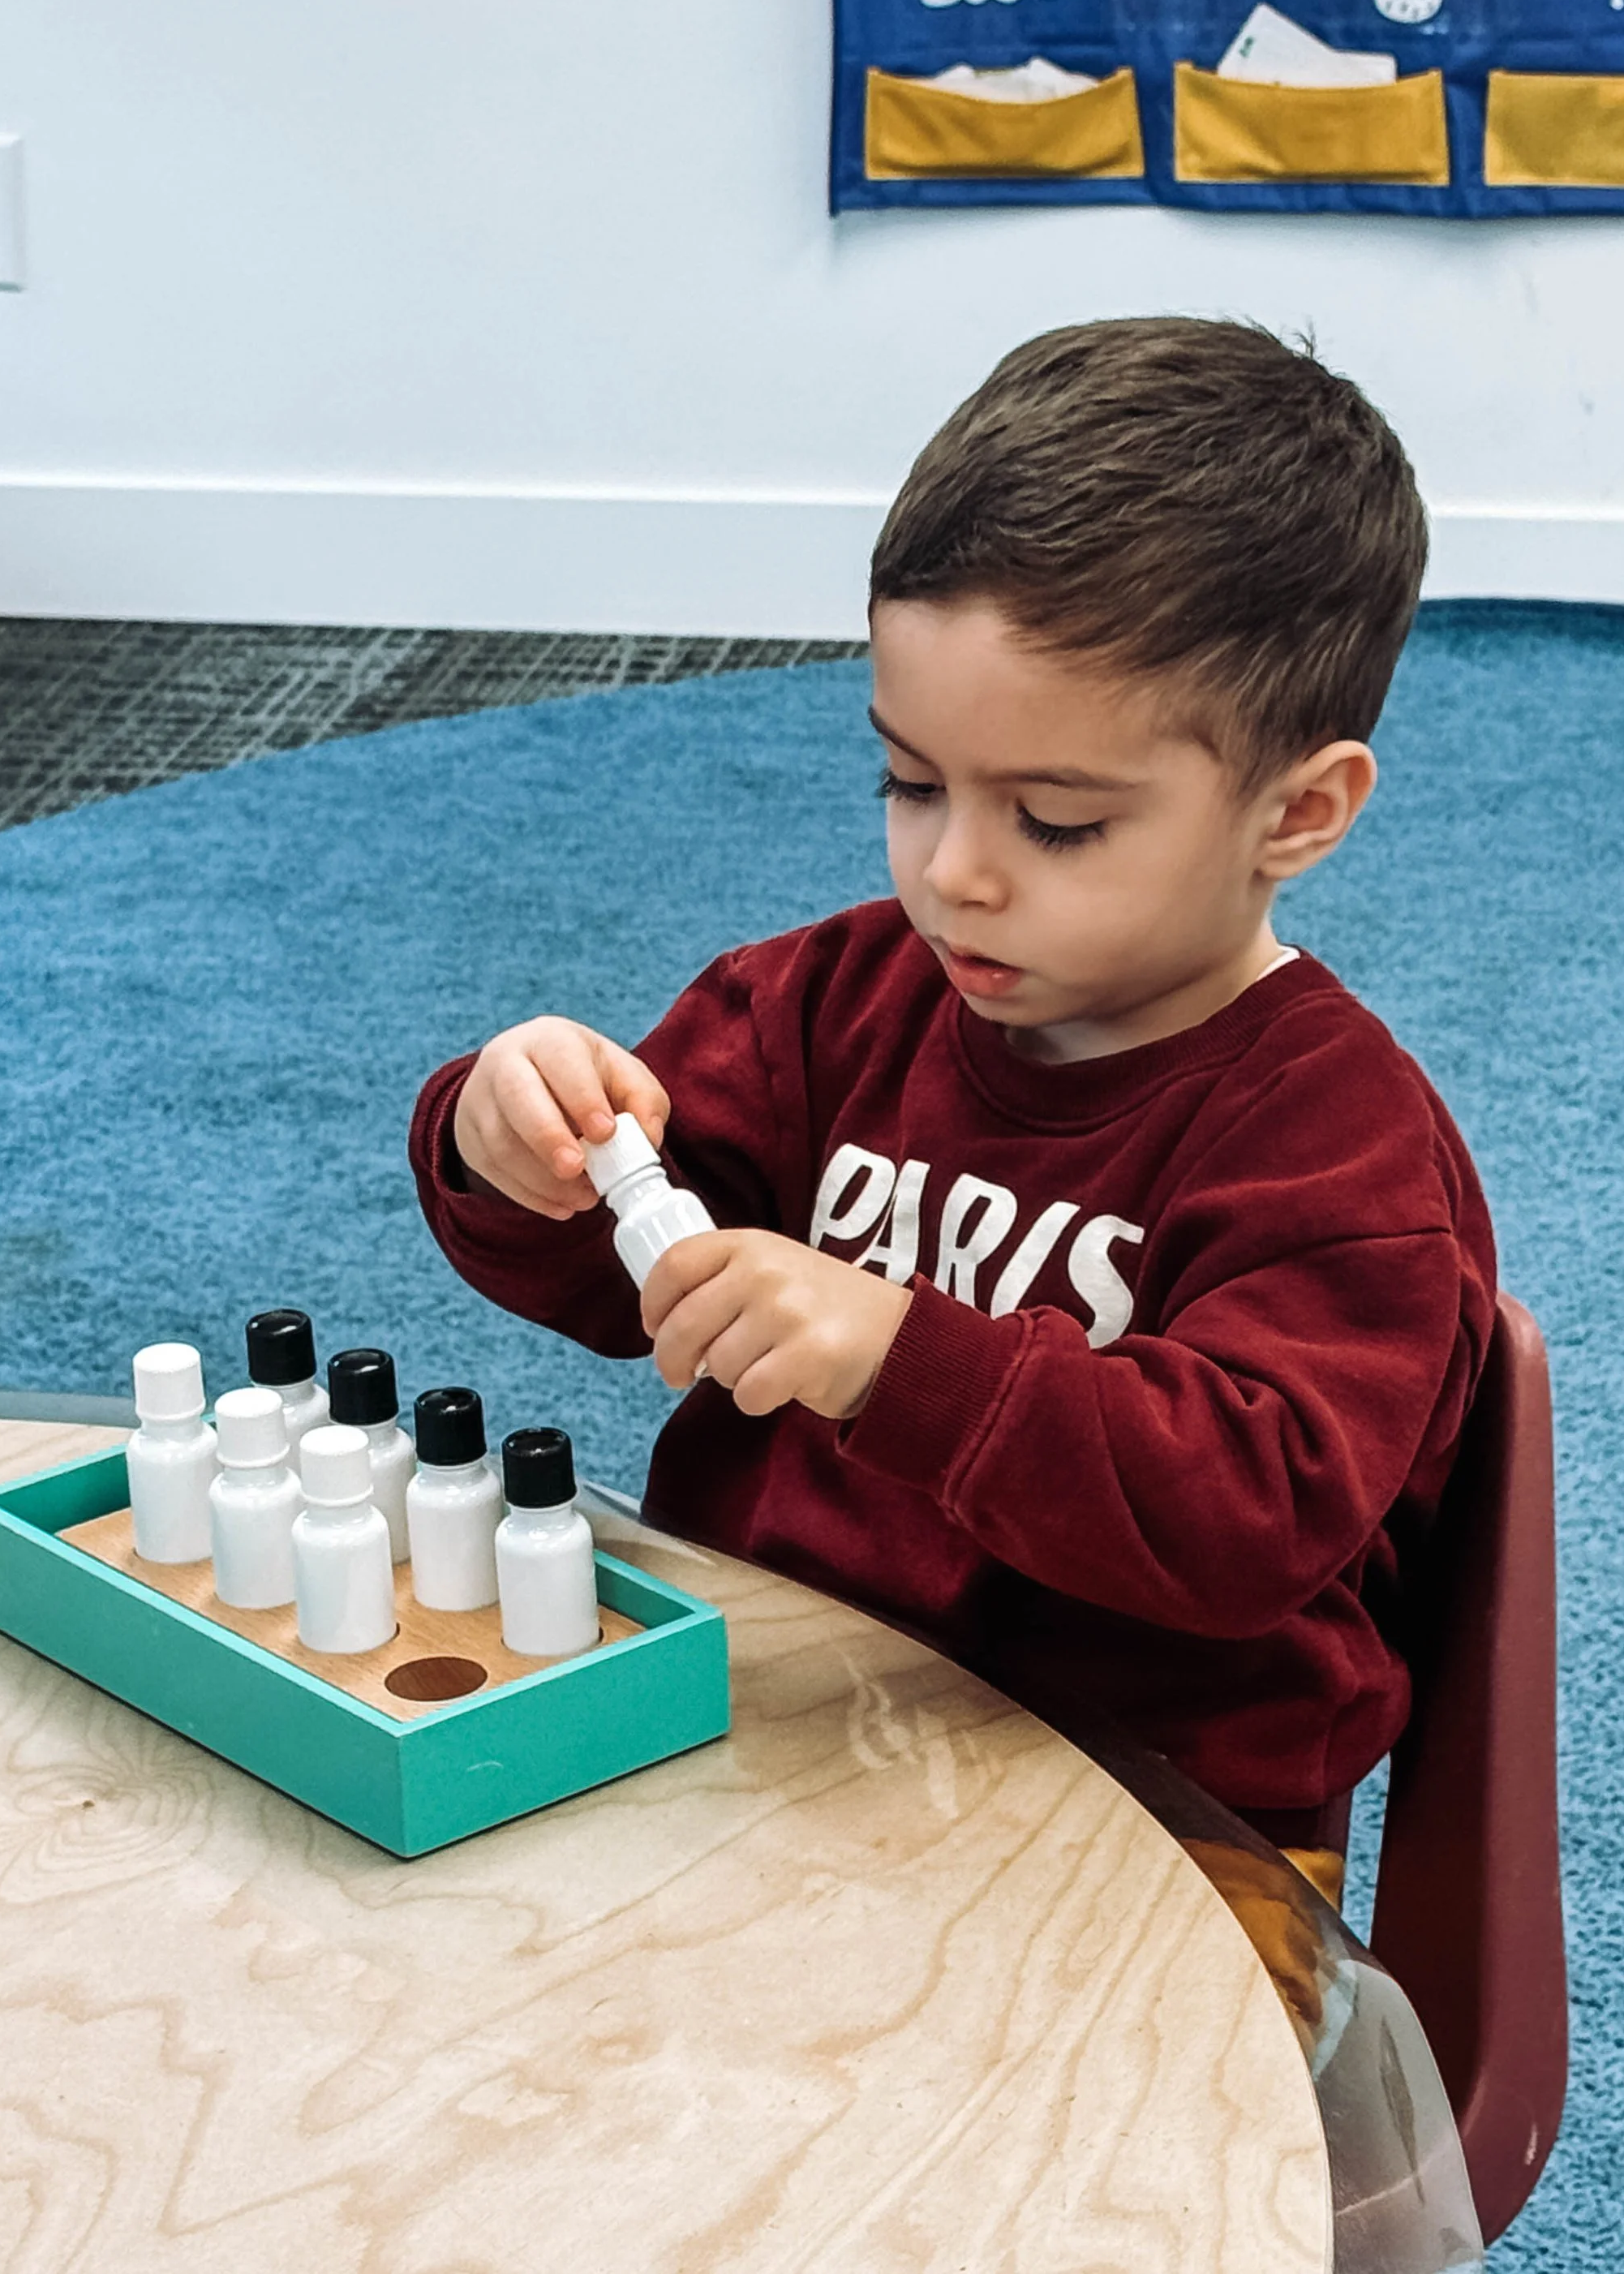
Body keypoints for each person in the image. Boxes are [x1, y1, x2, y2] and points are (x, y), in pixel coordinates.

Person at [409, 317, 1496, 1904]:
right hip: (768, 1719)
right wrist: (519, 1149)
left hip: (1156, 1829)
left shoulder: (1335, 1142)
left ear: (1297, 812)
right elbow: (634, 1265)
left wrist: (893, 1356)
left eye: (1052, 821)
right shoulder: (831, 1000)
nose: (951, 872)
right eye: (911, 784)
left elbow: (1249, 1514)